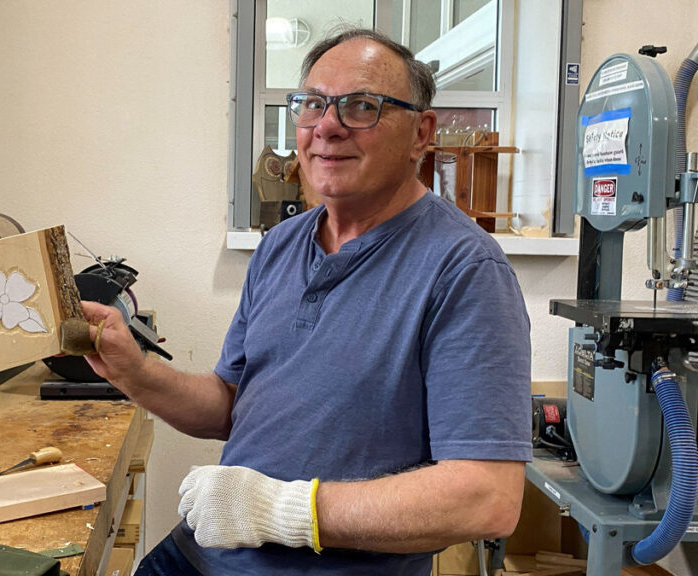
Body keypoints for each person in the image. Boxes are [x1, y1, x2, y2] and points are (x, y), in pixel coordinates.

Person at [81, 27, 531, 575]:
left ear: (421, 132)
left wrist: (276, 509)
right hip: (203, 553)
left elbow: (487, 498)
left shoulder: (464, 269)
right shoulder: (281, 245)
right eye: (313, 104)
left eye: (361, 106)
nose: (327, 127)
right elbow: (230, 405)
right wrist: (134, 371)